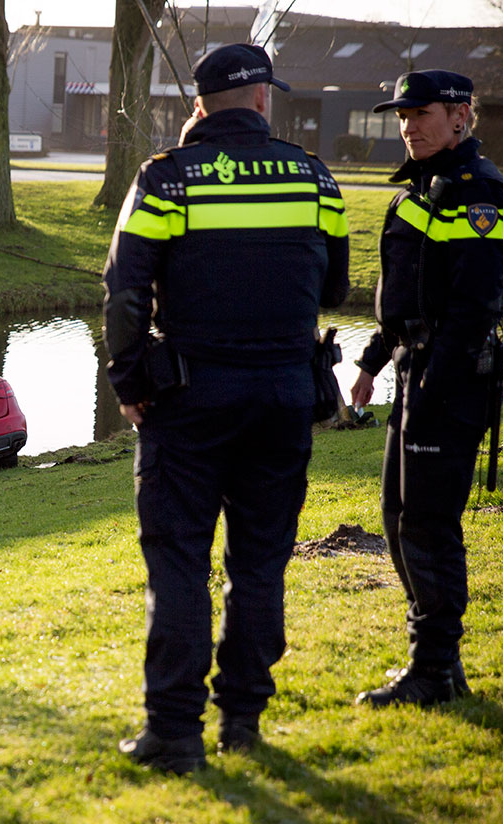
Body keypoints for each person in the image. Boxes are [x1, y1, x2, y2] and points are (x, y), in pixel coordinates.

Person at [102, 43, 350, 773]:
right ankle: (242, 720)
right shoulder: (315, 177)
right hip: (284, 395)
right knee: (261, 561)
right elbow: (333, 290)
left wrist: (127, 382)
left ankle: (175, 733)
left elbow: (123, 294)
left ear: (199, 106)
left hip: (189, 399)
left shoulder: (167, 179)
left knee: (180, 561)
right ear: (265, 99)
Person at [349, 70, 503, 707]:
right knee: (399, 520)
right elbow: (405, 300)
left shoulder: (482, 195)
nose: (408, 125)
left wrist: (429, 395)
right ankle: (440, 667)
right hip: (413, 372)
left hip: (450, 383)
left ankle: (431, 671)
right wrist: (372, 360)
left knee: (427, 524)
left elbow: (472, 311)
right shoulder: (420, 190)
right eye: (402, 114)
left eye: (421, 113)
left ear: (461, 116)